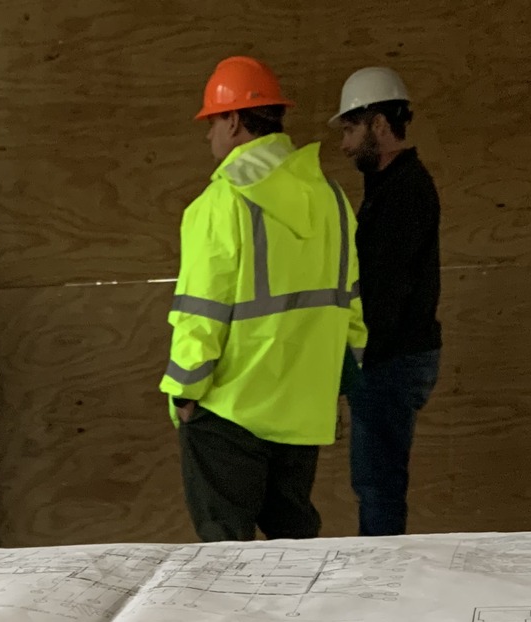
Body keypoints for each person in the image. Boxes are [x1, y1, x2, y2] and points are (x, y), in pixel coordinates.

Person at [162, 57, 367, 543]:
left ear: (233, 120)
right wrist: (333, 386)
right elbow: (351, 305)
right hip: (302, 411)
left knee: (225, 557)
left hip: (228, 410)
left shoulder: (220, 203)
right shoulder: (332, 198)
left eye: (211, 121)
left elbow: (201, 313)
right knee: (294, 553)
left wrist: (185, 394)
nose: (208, 134)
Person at [332, 67, 442, 536]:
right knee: (378, 484)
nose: (345, 145)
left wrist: (355, 366)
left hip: (390, 360)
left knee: (378, 486)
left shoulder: (403, 193)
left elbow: (384, 297)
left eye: (351, 129)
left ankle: (379, 586)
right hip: (392, 357)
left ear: (378, 123)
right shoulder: (391, 188)